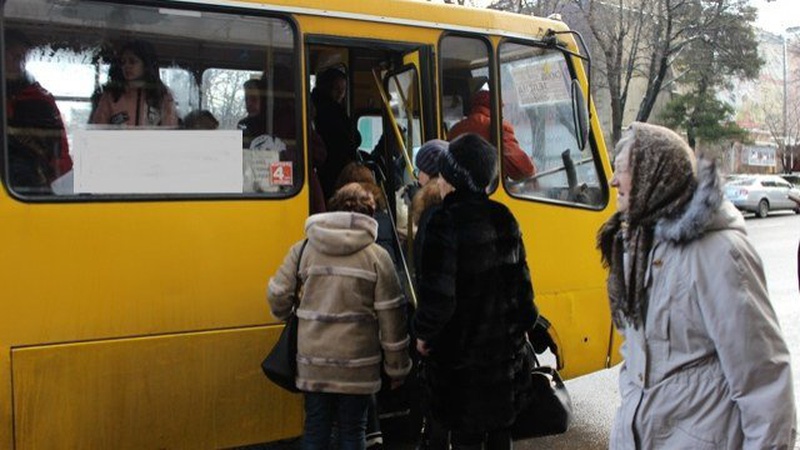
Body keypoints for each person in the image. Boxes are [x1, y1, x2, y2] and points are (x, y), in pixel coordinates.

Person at [597, 122, 797, 449]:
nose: (613, 180)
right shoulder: (638, 243)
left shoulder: (720, 252)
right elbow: (639, 362)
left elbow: (763, 380)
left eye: (624, 169)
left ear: (656, 174)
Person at [413, 133, 537, 450]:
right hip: (502, 360)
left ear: (452, 178)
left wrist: (423, 335)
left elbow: (439, 299)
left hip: (460, 363)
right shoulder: (504, 217)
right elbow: (523, 293)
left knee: (465, 437)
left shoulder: (444, 221)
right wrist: (518, 332)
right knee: (499, 436)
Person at [268, 182, 412, 450]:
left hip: (313, 361)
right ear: (370, 215)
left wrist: (289, 314)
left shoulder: (304, 250)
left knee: (315, 429)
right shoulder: (377, 257)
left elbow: (278, 296)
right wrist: (397, 367)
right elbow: (393, 318)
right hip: (358, 365)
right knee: (353, 431)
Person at [5, 30, 72, 193]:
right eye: (14, 55)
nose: (19, 62)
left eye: (22, 57)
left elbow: (58, 146)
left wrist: (61, 183)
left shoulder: (40, 99)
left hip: (33, 180)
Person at [447, 90, 535, 182]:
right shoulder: (497, 127)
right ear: (495, 107)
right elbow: (521, 169)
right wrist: (531, 166)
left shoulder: (454, 130)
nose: (502, 114)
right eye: (501, 108)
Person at [90, 40, 178, 127]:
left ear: (146, 65)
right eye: (123, 62)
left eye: (132, 62)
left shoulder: (162, 96)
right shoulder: (112, 95)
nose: (126, 66)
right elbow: (98, 129)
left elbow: (169, 132)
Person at [311, 67, 362, 200]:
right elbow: (346, 140)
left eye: (343, 90)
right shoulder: (329, 111)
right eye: (336, 89)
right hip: (333, 172)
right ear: (326, 88)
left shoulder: (320, 106)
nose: (340, 94)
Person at [237, 78, 267, 148]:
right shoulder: (243, 124)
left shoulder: (272, 124)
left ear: (263, 100)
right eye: (246, 99)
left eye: (254, 99)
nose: (249, 103)